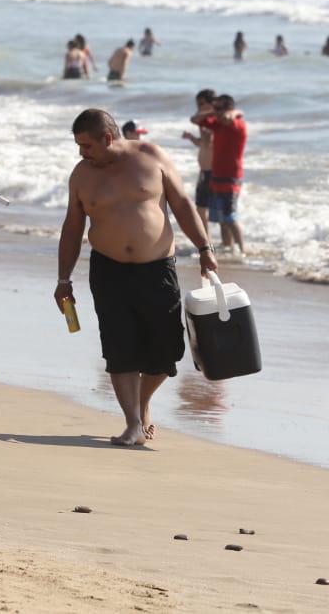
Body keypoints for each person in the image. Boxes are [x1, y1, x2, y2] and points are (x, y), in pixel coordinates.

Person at [55, 108, 217, 446]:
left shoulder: (151, 157)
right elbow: (72, 228)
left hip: (157, 268)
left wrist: (204, 249)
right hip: (108, 270)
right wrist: (63, 279)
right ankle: (132, 423)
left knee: (167, 351)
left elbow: (184, 205)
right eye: (78, 146)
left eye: (86, 145)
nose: (81, 153)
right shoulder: (82, 175)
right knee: (119, 348)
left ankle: (143, 403)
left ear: (108, 139)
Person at [191, 94, 247, 255]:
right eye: (215, 108)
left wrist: (233, 112)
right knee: (221, 219)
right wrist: (213, 112)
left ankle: (243, 252)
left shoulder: (238, 125)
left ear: (229, 109)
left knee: (230, 216)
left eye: (219, 108)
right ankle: (227, 248)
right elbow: (194, 119)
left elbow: (229, 118)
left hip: (232, 176)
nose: (216, 112)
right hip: (216, 175)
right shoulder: (217, 125)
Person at [181, 89, 215, 233]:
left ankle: (207, 243)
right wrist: (191, 138)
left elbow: (210, 143)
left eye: (201, 104)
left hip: (211, 171)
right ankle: (209, 242)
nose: (199, 108)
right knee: (203, 209)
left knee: (203, 209)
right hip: (205, 171)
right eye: (197, 104)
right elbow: (203, 143)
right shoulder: (206, 121)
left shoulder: (213, 121)